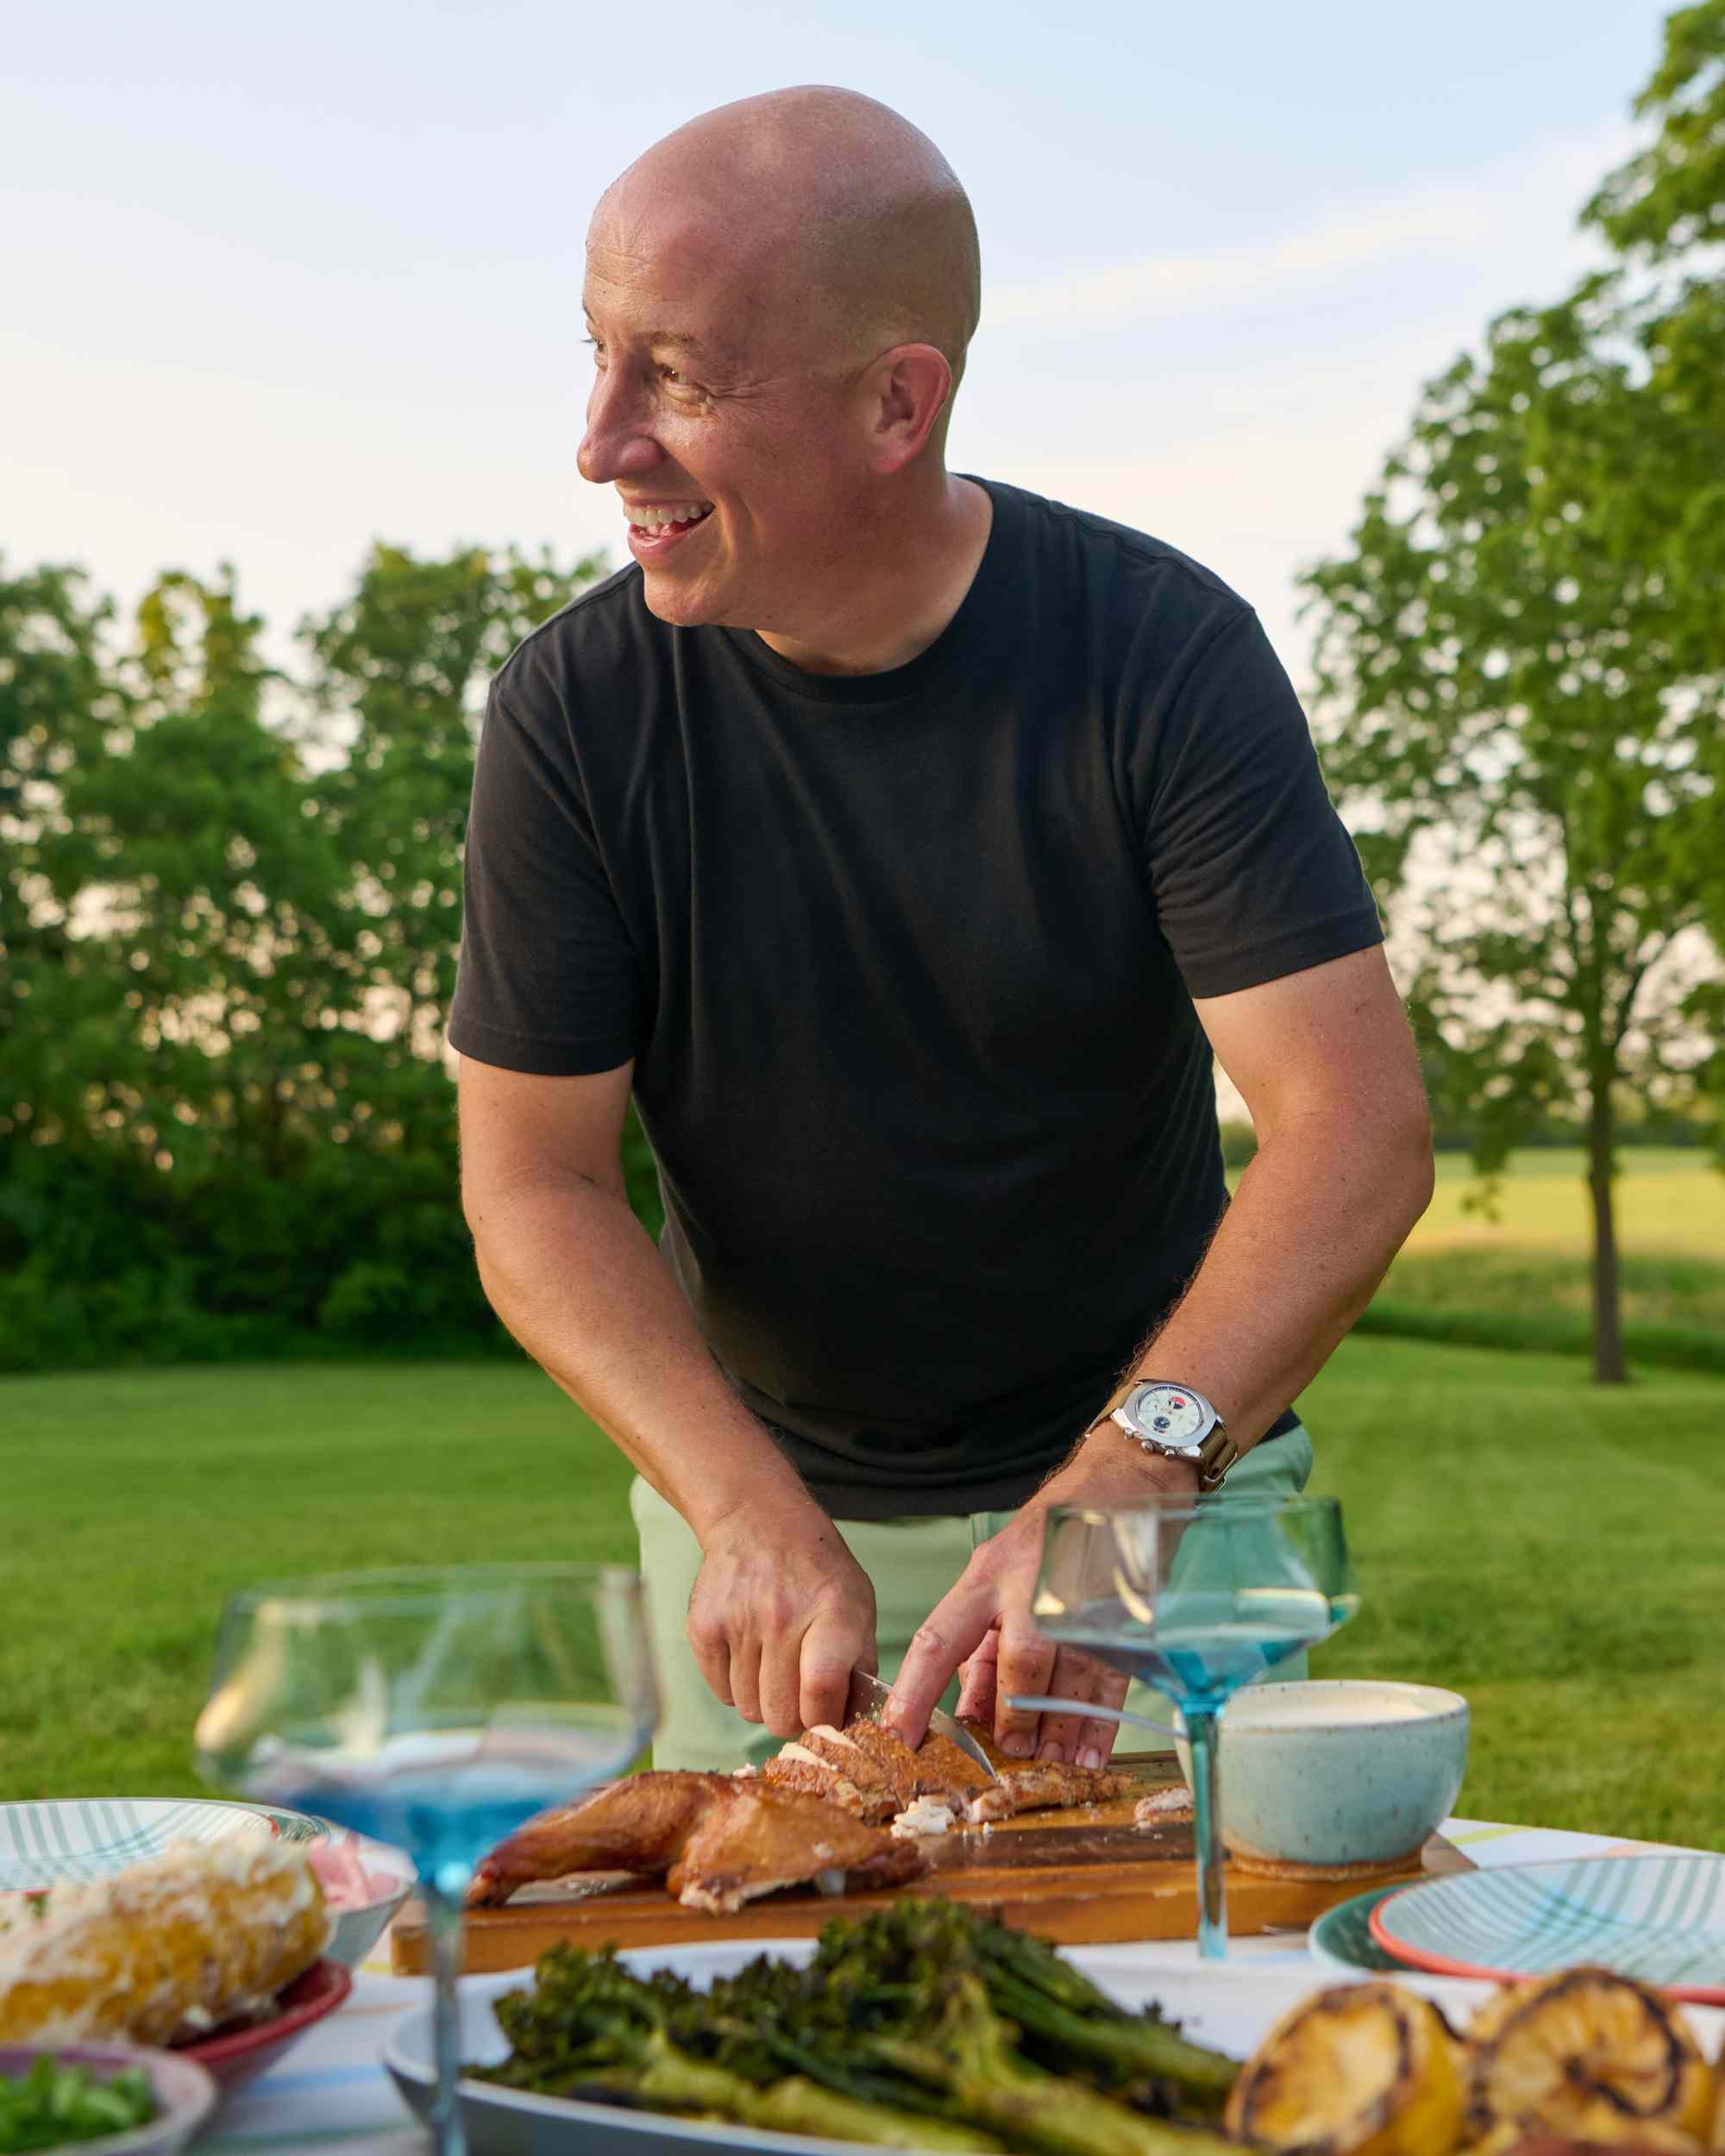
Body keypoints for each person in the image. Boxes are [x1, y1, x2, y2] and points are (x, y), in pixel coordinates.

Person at [449, 85, 1433, 1777]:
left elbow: (1355, 1131)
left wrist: (1128, 1476)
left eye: (673, 374)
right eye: (597, 355)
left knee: (1214, 1978)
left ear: (898, 401)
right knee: (758, 1999)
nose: (599, 440)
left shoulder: (1159, 653)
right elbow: (532, 1181)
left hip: (1162, 1485)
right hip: (768, 1520)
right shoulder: (571, 709)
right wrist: (735, 1501)